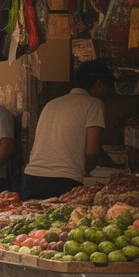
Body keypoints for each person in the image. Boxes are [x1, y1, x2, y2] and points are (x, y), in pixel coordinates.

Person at [21, 64, 111, 200]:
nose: (108, 92)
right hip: (63, 181)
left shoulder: (52, 103)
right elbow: (92, 150)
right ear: (98, 84)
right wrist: (87, 169)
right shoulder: (93, 104)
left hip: (31, 178)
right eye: (108, 87)